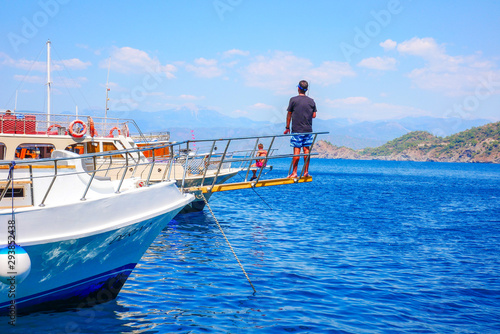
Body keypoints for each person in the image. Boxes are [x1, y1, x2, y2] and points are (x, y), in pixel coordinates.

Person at [284, 80, 316, 178]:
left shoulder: (293, 100)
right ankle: (306, 172)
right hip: (308, 129)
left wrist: (287, 127)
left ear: (298, 88)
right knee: (306, 150)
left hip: (297, 130)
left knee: (296, 151)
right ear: (306, 90)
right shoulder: (311, 101)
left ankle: (294, 173)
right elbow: (314, 115)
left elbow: (289, 114)